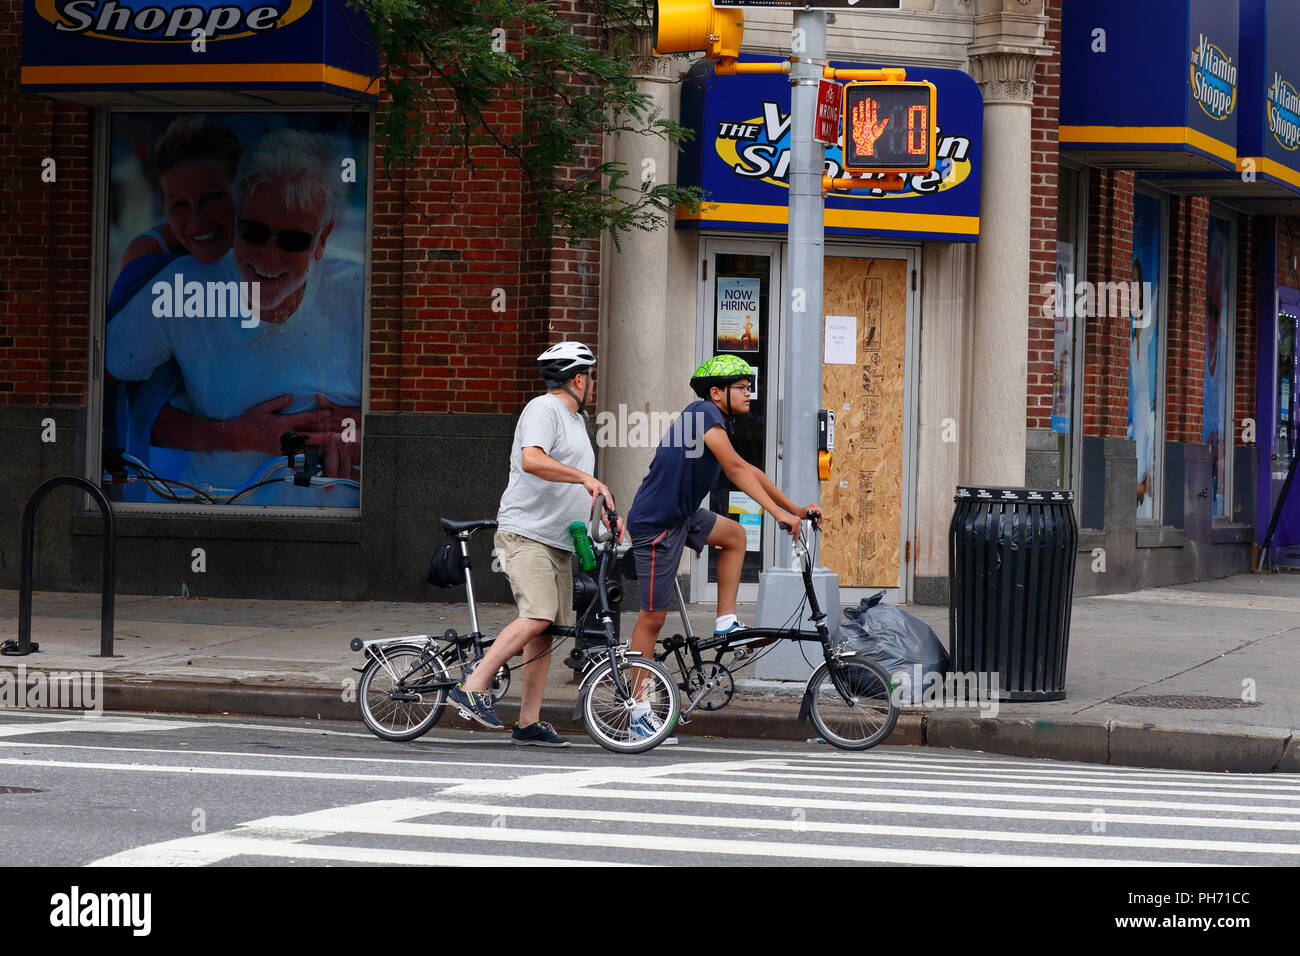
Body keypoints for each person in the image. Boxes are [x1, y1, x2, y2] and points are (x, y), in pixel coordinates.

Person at [106, 128, 363, 506]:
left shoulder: (359, 292)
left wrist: (363, 423)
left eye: (293, 241)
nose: (268, 258)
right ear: (235, 219)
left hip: (342, 525)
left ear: (322, 238)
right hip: (221, 516)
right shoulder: (183, 287)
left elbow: (430, 399)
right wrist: (233, 436)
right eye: (254, 233)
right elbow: (108, 394)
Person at [624, 354, 822, 742]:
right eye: (741, 387)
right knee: (651, 618)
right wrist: (778, 516)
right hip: (655, 525)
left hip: (682, 517)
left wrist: (794, 508)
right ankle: (638, 710)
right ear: (716, 393)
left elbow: (751, 471)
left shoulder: (716, 423)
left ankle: (726, 622)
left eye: (750, 386)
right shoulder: (701, 413)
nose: (750, 393)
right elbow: (734, 470)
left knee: (735, 536)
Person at [449, 342, 619, 746]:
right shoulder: (543, 409)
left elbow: (572, 483)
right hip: (526, 534)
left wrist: (607, 518)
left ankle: (528, 721)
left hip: (559, 541)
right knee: (538, 614)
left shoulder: (577, 421)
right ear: (579, 379)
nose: (592, 386)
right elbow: (532, 459)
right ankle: (472, 686)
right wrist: (585, 479)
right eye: (590, 378)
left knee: (546, 630)